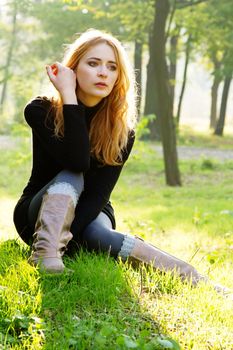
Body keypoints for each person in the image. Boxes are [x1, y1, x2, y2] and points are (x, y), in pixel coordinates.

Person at [12, 29, 231, 297]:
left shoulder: (122, 132)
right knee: (73, 174)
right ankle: (46, 255)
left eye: (111, 67)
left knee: (99, 236)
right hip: (37, 214)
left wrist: (70, 240)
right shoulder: (40, 110)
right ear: (73, 68)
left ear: (118, 77)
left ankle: (197, 281)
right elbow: (77, 161)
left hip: (92, 210)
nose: (103, 72)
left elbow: (98, 196)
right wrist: (69, 96)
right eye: (93, 63)